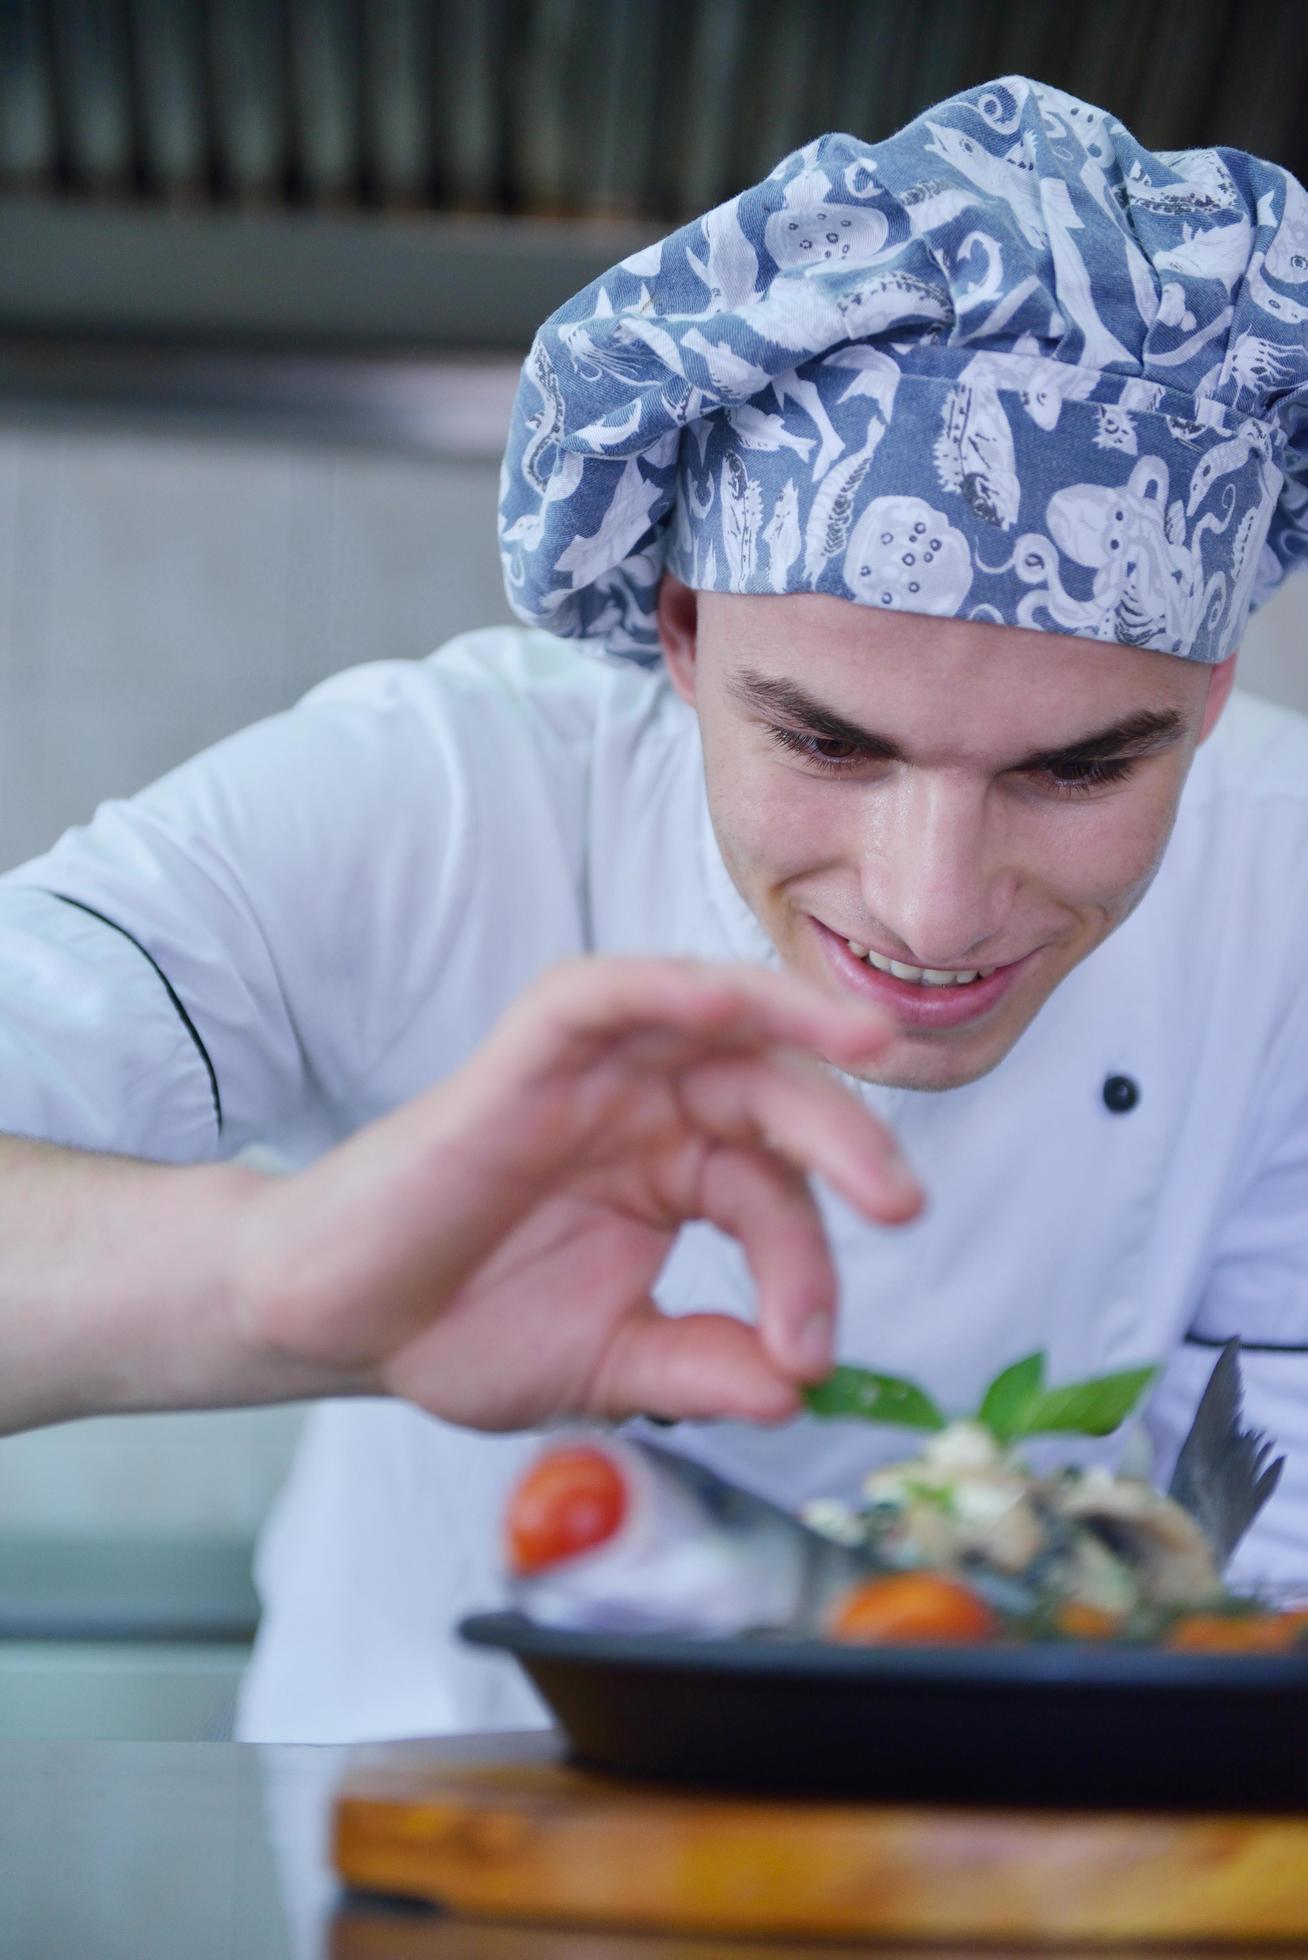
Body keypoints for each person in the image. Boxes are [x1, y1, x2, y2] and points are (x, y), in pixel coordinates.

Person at [0, 73, 1305, 1742]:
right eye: (824, 741)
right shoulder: (442, 801)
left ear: (1206, 693)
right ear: (680, 632)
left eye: (1074, 773)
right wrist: (286, 1280)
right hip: (438, 1867)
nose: (931, 909)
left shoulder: (1288, 899)